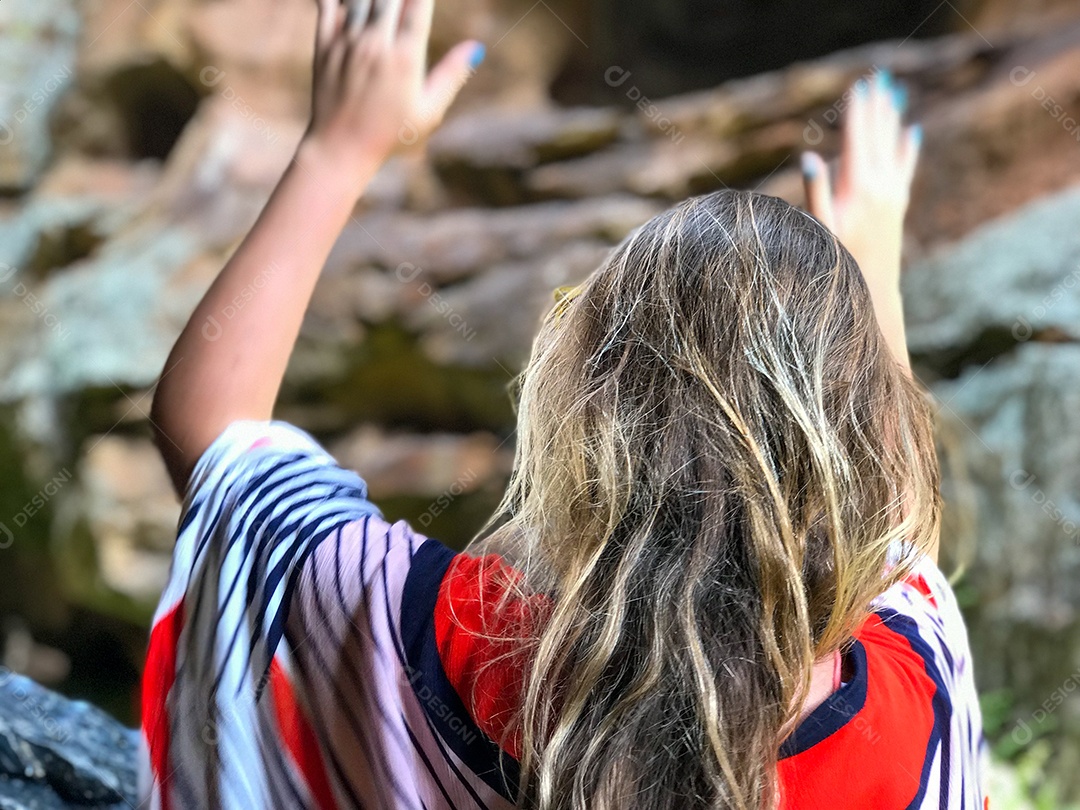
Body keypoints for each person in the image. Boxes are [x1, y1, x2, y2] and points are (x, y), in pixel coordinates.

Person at [140, 0, 987, 807]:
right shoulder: (910, 720)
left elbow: (210, 431)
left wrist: (336, 151)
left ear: (576, 412)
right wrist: (870, 270)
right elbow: (906, 554)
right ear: (866, 456)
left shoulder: (423, 636)